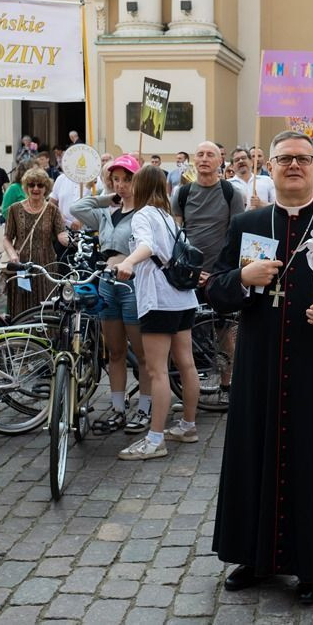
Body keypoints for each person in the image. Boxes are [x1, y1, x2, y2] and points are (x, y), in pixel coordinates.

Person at [205, 130, 313, 605]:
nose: (294, 166)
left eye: (303, 159)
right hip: (259, 365)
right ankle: (252, 555)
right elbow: (215, 288)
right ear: (272, 167)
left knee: (311, 457)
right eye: (285, 159)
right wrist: (242, 277)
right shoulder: (249, 223)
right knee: (253, 453)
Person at [114, 166, 200, 461]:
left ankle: (154, 439)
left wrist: (128, 263)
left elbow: (147, 246)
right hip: (183, 299)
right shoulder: (167, 217)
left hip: (159, 300)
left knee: (157, 370)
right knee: (186, 364)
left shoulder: (143, 215)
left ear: (140, 187)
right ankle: (188, 425)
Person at [71, 155, 153, 436]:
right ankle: (118, 410)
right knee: (115, 352)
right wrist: (108, 198)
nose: (122, 185)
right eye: (116, 179)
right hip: (107, 282)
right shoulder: (106, 212)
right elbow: (76, 207)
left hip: (133, 284)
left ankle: (144, 409)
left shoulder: (145, 213)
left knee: (142, 354)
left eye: (127, 179)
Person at [172, 141, 245, 290]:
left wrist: (219, 273)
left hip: (220, 273)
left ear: (220, 161)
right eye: (200, 154)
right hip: (188, 271)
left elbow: (237, 236)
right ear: (195, 160)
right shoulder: (181, 193)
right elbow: (175, 235)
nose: (204, 159)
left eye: (210, 155)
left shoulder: (232, 193)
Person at [2, 168, 68, 318]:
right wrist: (12, 255)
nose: (36, 188)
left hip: (46, 265)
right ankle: (20, 339)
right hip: (21, 264)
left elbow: (61, 235)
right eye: (31, 185)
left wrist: (71, 240)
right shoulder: (14, 209)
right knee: (21, 307)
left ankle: (44, 340)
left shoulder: (52, 210)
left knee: (45, 306)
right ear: (26, 187)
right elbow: (7, 238)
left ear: (46, 188)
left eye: (40, 185)